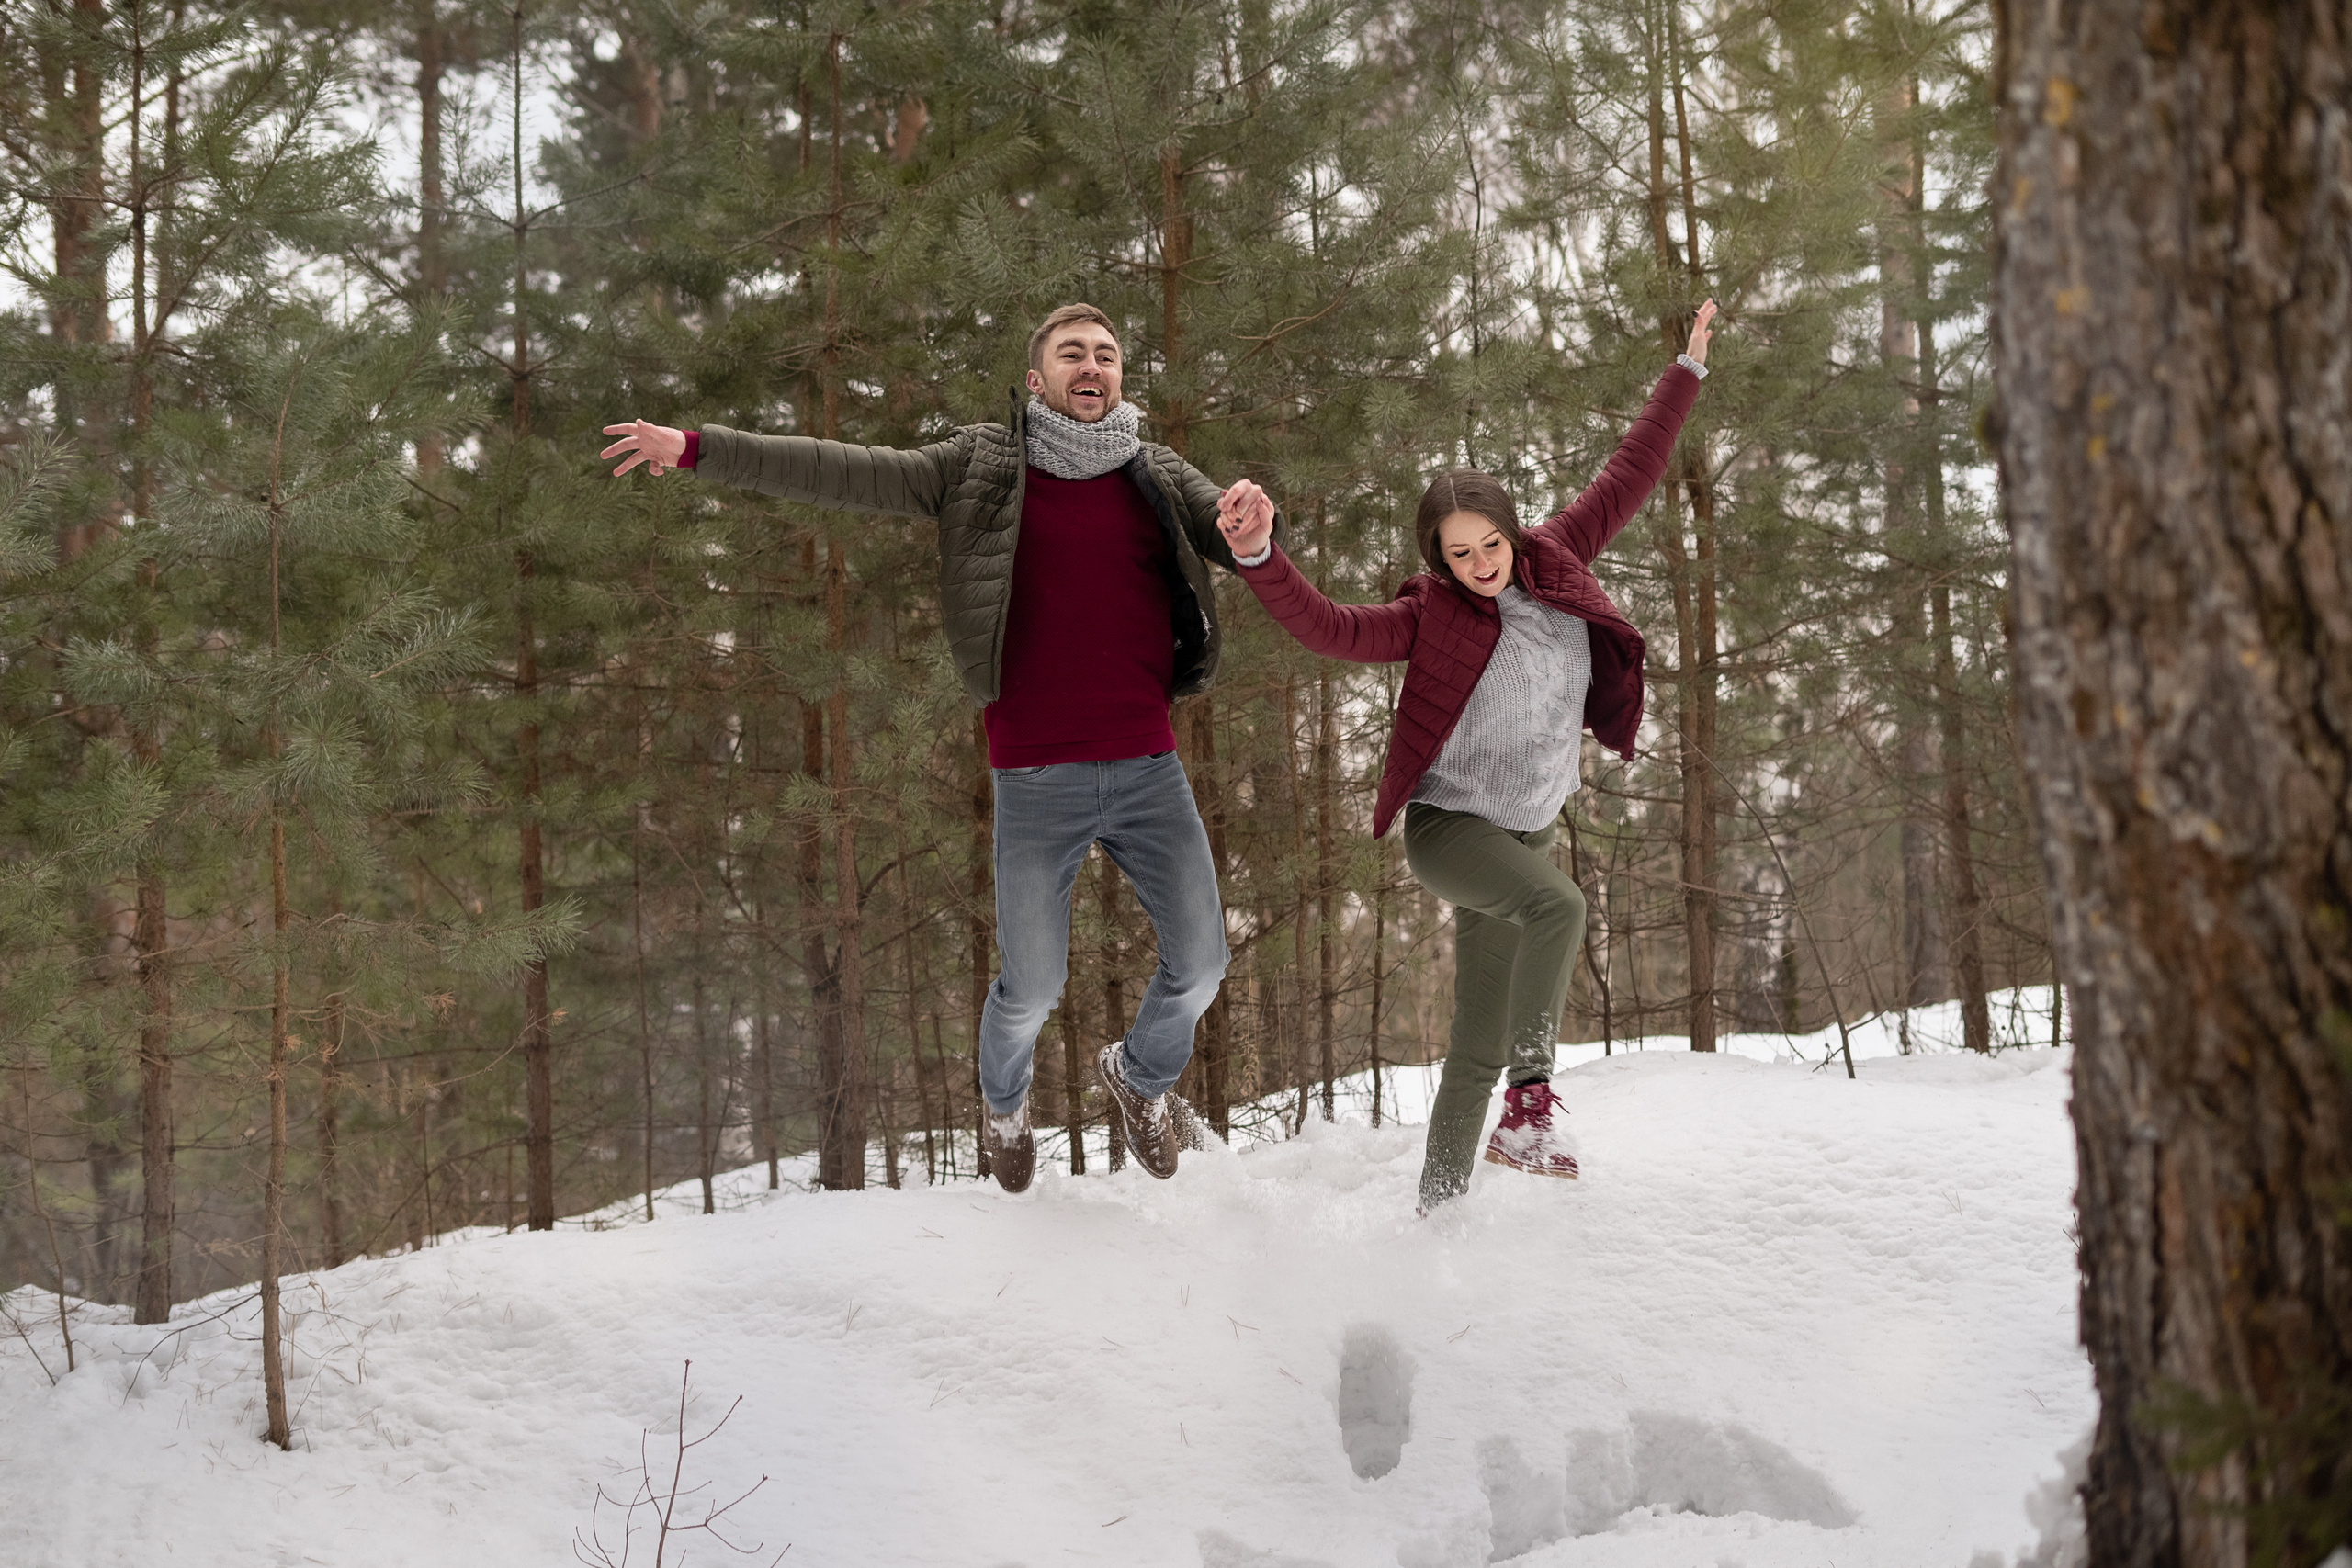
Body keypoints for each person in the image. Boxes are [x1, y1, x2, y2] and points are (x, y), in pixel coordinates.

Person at [601, 304, 1279, 1194]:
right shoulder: (979, 466)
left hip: (1147, 767)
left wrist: (1252, 526)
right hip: (1036, 775)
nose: (1092, 365)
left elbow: (1233, 532)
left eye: (1106, 355)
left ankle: (1140, 1078)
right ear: (1035, 380)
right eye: (1071, 353)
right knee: (1031, 988)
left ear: (1120, 378)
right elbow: (843, 472)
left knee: (1202, 961)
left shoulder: (1155, 471)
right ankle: (1004, 1103)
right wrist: (696, 447)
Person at [1212, 302, 1717, 1211]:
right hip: (1451, 829)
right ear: (1437, 562)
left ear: (1512, 534)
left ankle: (1435, 1220)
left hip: (1525, 833)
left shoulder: (1556, 559)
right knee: (1559, 908)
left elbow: (1632, 469)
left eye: (1490, 544)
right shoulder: (1428, 616)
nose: (1482, 562)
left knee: (1474, 1045)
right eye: (1460, 554)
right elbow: (1329, 628)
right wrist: (1259, 556)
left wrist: (1685, 371)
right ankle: (1530, 1108)